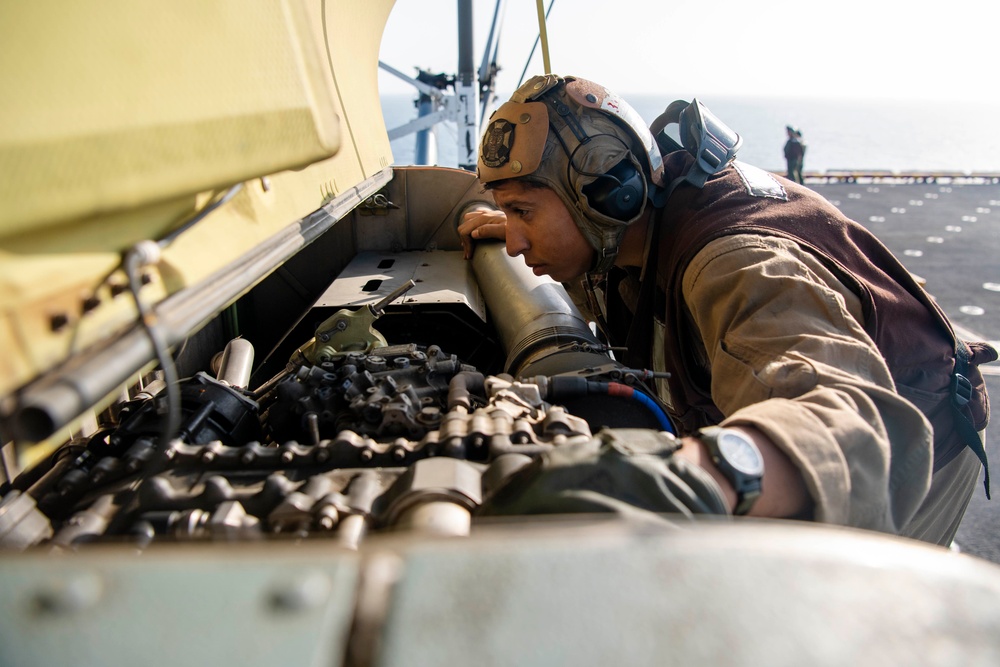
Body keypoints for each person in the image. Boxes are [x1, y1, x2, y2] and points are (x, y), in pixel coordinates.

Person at [459, 74, 995, 545]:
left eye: (523, 211)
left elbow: (850, 420)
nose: (513, 243)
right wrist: (518, 221)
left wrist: (692, 478)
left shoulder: (734, 264)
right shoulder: (629, 226)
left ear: (608, 195)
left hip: (917, 450)